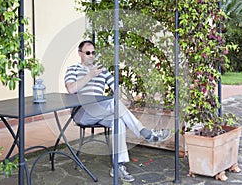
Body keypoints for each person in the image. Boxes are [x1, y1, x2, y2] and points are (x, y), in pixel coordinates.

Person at [64, 40, 171, 182]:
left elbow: (117, 90)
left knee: (118, 119)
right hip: (82, 112)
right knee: (111, 103)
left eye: (93, 53)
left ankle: (118, 166)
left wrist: (119, 95)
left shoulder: (102, 71)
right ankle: (145, 132)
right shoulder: (73, 69)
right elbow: (71, 89)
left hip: (101, 111)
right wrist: (90, 75)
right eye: (88, 53)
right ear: (80, 54)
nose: (91, 56)